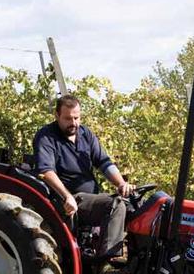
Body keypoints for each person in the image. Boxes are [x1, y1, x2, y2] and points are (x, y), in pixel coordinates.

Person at [33, 95, 132, 259]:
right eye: (68, 118)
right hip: (70, 199)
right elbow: (46, 171)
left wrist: (121, 183)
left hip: (91, 197)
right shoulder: (46, 137)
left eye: (76, 118)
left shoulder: (85, 134)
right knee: (115, 205)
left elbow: (104, 162)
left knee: (137, 205)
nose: (73, 123)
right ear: (57, 116)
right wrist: (67, 196)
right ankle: (107, 260)